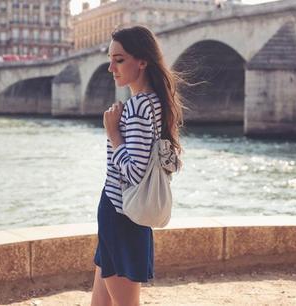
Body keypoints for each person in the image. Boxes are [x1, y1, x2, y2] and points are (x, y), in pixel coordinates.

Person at [91, 26, 184, 306]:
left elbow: (133, 173)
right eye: (110, 59)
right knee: (101, 302)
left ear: (142, 61)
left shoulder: (137, 108)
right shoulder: (156, 103)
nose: (110, 68)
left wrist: (113, 134)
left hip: (121, 214)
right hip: (125, 212)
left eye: (119, 60)